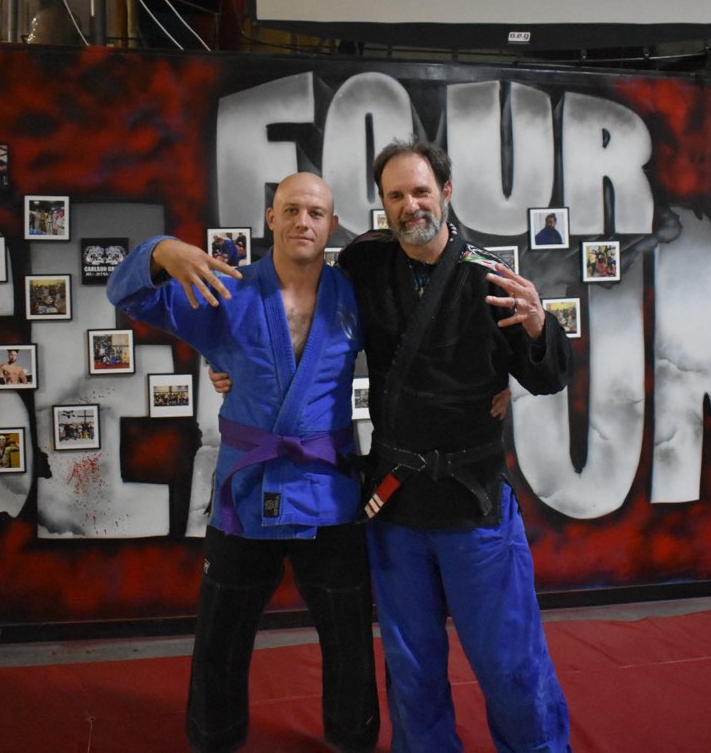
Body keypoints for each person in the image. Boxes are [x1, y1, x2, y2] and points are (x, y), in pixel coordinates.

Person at [201, 141, 573, 751]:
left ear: (446, 192)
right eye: (396, 195)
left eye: (421, 191)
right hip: (397, 504)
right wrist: (228, 363)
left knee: (510, 661)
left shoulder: (487, 277)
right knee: (411, 666)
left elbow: (551, 375)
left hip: (473, 500)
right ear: (382, 204)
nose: (410, 205)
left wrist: (537, 327)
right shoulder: (365, 265)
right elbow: (300, 313)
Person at [106, 172, 379, 753]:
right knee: (221, 635)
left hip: (328, 486)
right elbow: (128, 295)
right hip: (247, 485)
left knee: (350, 633)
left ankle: (352, 738)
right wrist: (162, 250)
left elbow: (416, 355)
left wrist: (491, 387)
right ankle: (216, 737)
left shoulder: (356, 296)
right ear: (271, 218)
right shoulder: (227, 290)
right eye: (291, 209)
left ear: (332, 225)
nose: (303, 221)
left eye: (316, 213)